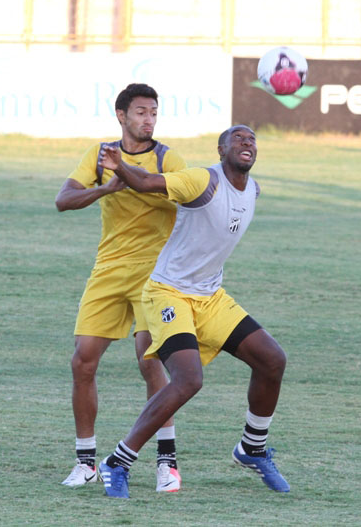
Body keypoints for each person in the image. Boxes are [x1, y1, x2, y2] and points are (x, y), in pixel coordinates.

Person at [95, 125, 290, 499]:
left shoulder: (253, 189)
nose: (247, 143)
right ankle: (117, 461)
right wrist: (120, 167)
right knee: (188, 380)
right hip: (168, 294)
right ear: (221, 150)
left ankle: (252, 448)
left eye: (252, 139)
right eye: (238, 138)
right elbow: (149, 182)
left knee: (272, 360)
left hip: (210, 296)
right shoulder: (202, 181)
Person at [54, 83, 187, 492]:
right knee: (83, 362)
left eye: (154, 113)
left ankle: (167, 462)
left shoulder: (168, 157)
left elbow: (179, 195)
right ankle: (86, 461)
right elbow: (63, 200)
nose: (149, 119)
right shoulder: (100, 156)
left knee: (151, 362)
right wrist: (104, 188)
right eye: (141, 112)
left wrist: (125, 175)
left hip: (155, 273)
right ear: (121, 115)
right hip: (109, 269)